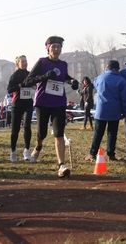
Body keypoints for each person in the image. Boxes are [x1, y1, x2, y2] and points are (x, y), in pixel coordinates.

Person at [24, 35, 79, 178]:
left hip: (59, 102)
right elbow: (28, 80)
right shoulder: (42, 62)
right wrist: (44, 77)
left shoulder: (63, 64)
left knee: (59, 133)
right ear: (48, 49)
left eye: (58, 47)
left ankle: (61, 165)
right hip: (43, 102)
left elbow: (65, 76)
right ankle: (38, 146)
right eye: (53, 47)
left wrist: (72, 81)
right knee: (42, 132)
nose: (56, 49)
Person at [85, 60, 126, 162]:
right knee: (112, 133)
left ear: (107, 67)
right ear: (118, 68)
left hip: (101, 110)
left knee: (98, 133)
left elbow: (96, 86)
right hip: (115, 110)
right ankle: (111, 154)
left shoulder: (99, 78)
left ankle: (92, 154)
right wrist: (125, 111)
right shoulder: (122, 80)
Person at [7, 55, 34, 162]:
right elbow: (9, 89)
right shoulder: (15, 75)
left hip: (28, 103)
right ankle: (13, 151)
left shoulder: (29, 74)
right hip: (17, 103)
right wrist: (19, 86)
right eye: (22, 61)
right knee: (15, 129)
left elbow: (35, 84)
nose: (24, 63)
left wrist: (34, 86)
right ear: (17, 64)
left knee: (27, 126)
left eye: (26, 61)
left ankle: (26, 150)